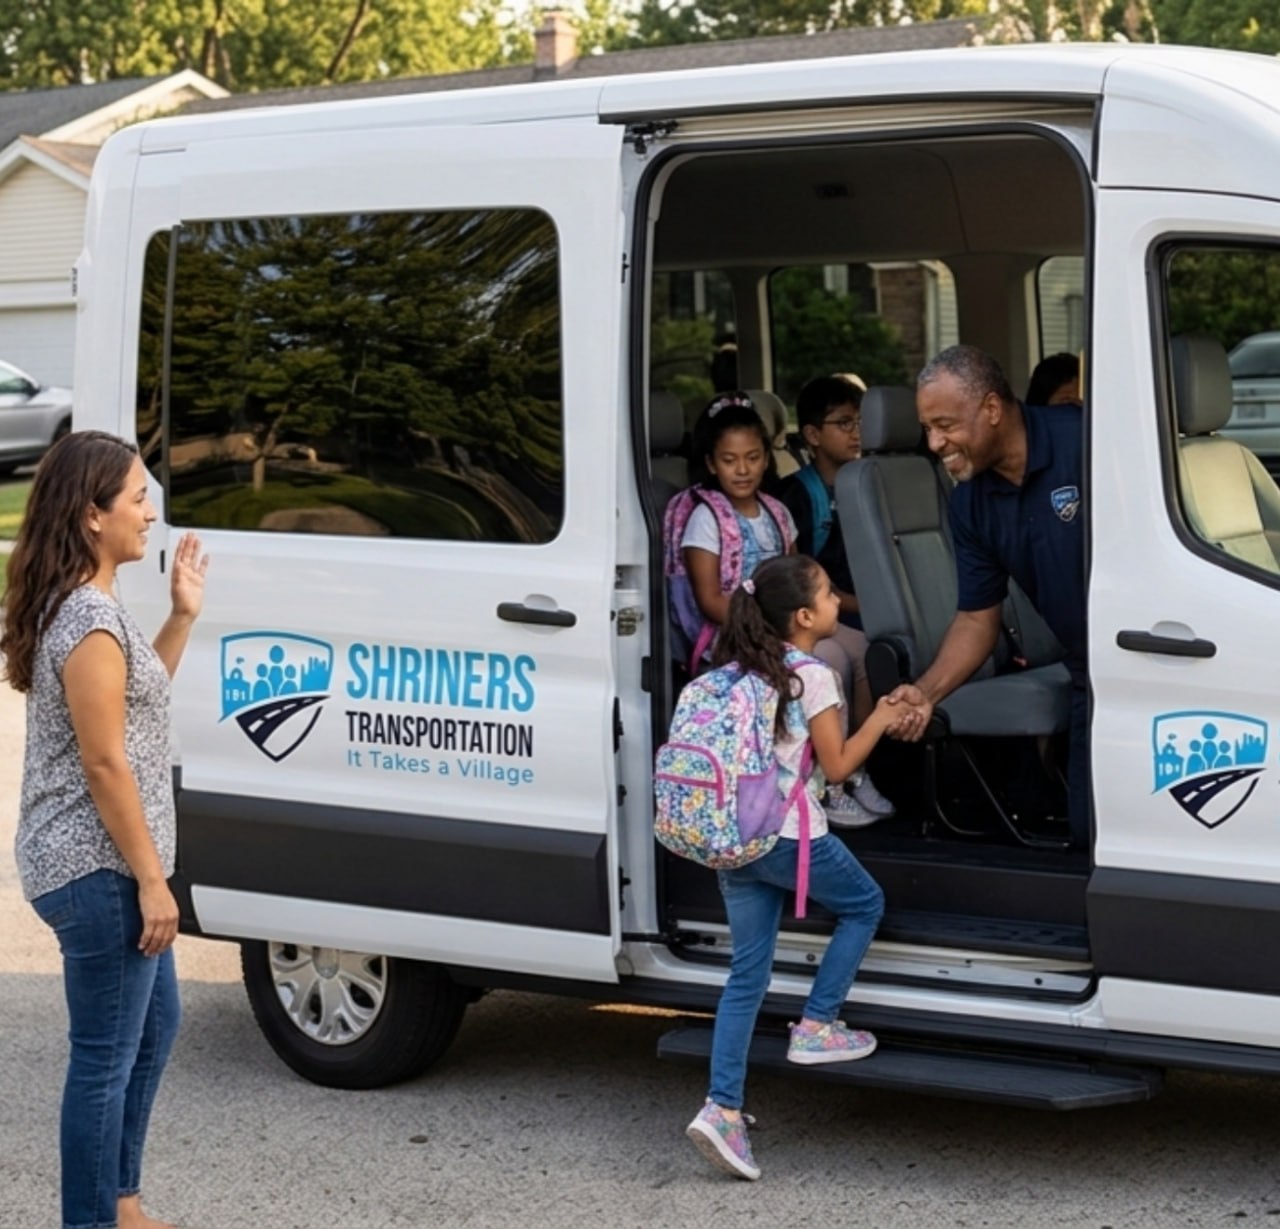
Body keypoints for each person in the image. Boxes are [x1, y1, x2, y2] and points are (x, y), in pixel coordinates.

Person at [3, 431, 210, 1229]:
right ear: (92, 515)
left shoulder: (95, 605)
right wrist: (153, 879)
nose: (149, 512)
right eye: (136, 499)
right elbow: (105, 762)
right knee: (103, 1058)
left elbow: (136, 699)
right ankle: (92, 1219)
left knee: (155, 1025)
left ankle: (118, 1202)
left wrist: (183, 616)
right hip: (97, 870)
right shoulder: (88, 618)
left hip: (108, 865)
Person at [684, 553, 921, 1182]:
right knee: (864, 904)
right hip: (789, 835)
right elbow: (838, 767)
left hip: (733, 836)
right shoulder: (811, 676)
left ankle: (722, 1109)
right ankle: (817, 1024)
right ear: (805, 615)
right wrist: (881, 717)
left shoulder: (736, 670)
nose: (838, 599)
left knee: (746, 974)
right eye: (828, 592)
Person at [887, 345, 1088, 847]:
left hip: (1157, 659)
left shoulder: (1086, 441)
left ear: (993, 410)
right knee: (1093, 835)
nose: (934, 443)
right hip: (1092, 673)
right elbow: (978, 619)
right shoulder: (970, 503)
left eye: (945, 425)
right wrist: (926, 693)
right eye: (927, 428)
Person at [781, 375, 894, 825]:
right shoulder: (797, 496)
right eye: (844, 423)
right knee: (833, 662)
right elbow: (798, 583)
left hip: (860, 613)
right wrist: (857, 607)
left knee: (870, 653)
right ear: (811, 435)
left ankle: (856, 770)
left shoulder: (870, 483)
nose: (857, 433)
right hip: (818, 615)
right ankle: (829, 781)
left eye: (861, 422)